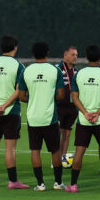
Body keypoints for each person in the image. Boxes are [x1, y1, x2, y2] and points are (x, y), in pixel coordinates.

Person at [68, 45, 100, 193]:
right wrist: (97, 113)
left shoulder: (79, 74)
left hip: (84, 120)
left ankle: (73, 185)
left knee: (79, 151)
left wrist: (85, 113)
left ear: (86, 57)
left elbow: (74, 97)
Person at [19, 41, 67, 191]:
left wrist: (34, 99)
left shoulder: (26, 71)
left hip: (33, 117)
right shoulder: (55, 70)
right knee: (55, 150)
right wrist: (49, 99)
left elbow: (21, 96)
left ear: (33, 54)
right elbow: (61, 95)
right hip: (50, 117)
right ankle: (58, 183)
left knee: (35, 151)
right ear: (47, 52)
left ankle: (40, 184)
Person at [0, 35, 29, 189]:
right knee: (10, 148)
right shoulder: (18, 66)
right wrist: (5, 105)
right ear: (15, 47)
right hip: (11, 111)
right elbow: (18, 90)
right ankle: (13, 181)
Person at [56, 46, 79, 168]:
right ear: (65, 55)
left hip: (72, 107)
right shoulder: (57, 69)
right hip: (59, 106)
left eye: (76, 55)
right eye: (72, 54)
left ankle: (63, 158)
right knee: (59, 132)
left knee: (67, 133)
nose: (75, 57)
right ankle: (55, 159)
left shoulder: (77, 71)